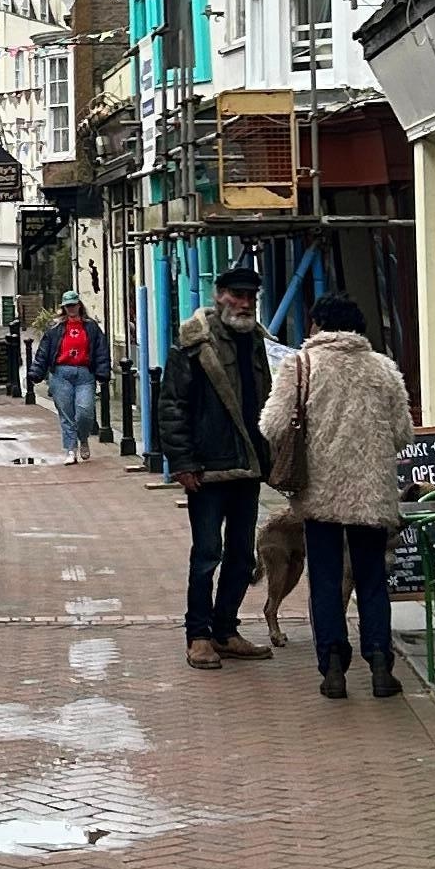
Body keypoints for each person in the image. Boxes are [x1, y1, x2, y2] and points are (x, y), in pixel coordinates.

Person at [263, 294, 419, 701]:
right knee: (371, 580)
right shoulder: (384, 370)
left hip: (320, 493)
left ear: (317, 325)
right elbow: (404, 433)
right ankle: (381, 664)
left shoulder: (298, 366)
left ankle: (333, 666)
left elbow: (273, 425)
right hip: (372, 492)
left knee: (327, 580)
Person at [155, 264, 272, 669]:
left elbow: (268, 401)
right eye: (236, 295)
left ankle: (226, 630)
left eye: (250, 298)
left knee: (241, 555)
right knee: (207, 553)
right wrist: (183, 461)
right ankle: (198, 635)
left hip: (247, 468)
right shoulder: (193, 343)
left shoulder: (257, 342)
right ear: (219, 294)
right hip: (207, 469)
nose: (243, 304)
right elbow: (172, 406)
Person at [32, 292, 104, 463]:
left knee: (85, 412)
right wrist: (36, 372)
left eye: (73, 305)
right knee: (67, 415)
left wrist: (103, 371)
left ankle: (83, 438)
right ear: (64, 308)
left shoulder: (91, 327)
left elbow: (101, 350)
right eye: (68, 306)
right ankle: (71, 450)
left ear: (79, 305)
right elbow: (44, 352)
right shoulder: (55, 329)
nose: (71, 309)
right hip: (61, 374)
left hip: (85, 374)